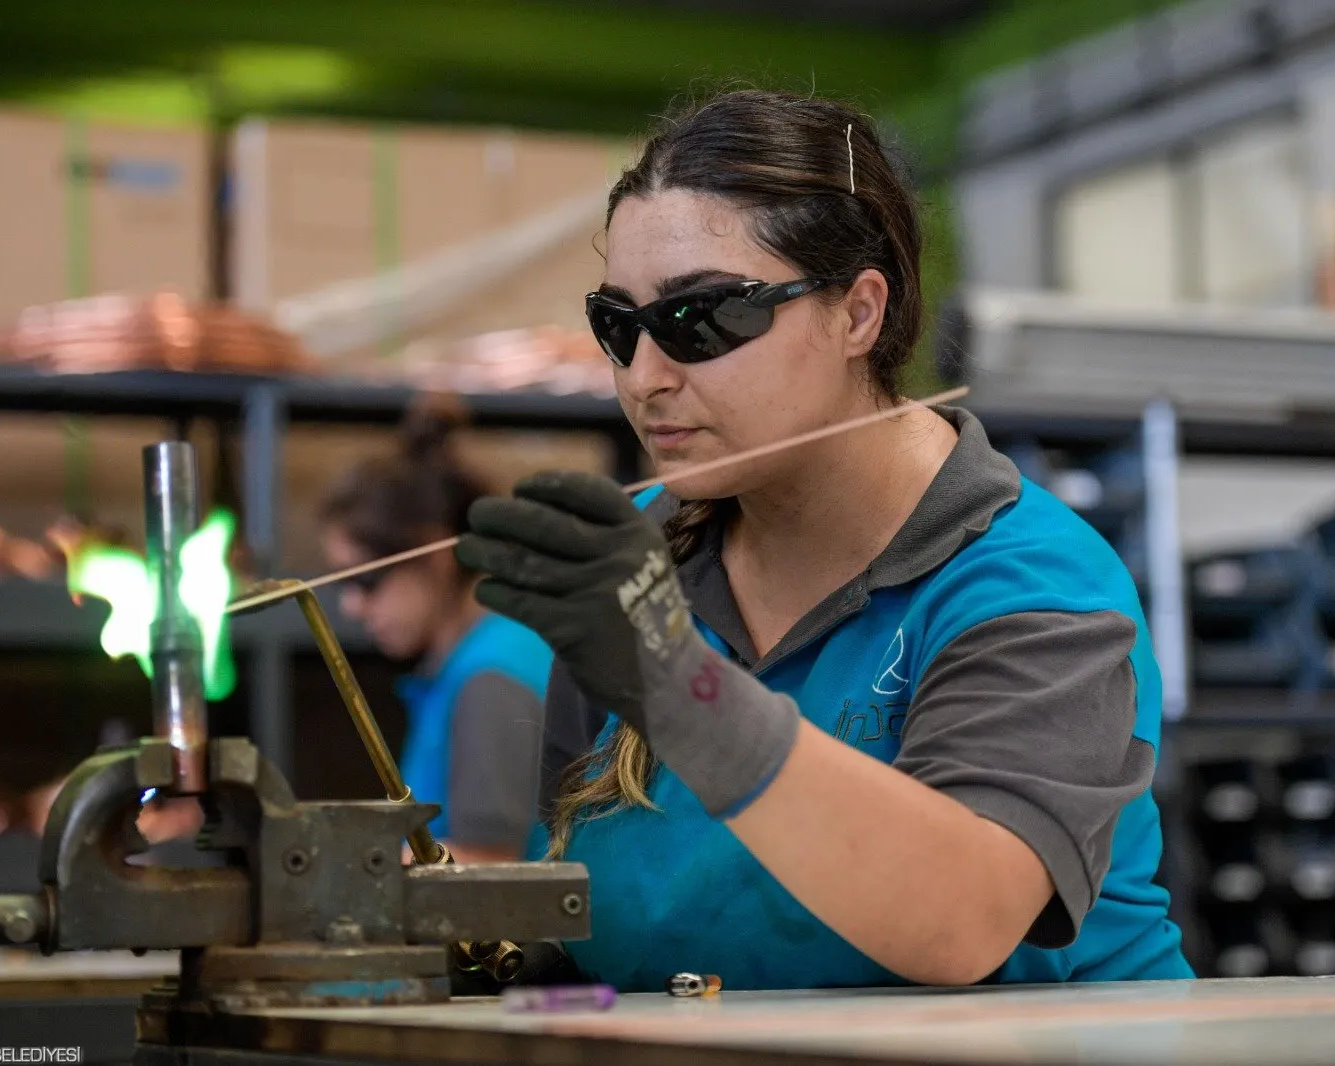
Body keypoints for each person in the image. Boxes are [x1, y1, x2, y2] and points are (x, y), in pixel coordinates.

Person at [453, 90, 1194, 989]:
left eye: (700, 319)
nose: (647, 378)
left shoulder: (1029, 583)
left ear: (858, 313)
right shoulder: (648, 576)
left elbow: (961, 922)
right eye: (620, 326)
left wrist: (678, 684)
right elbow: (579, 926)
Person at [320, 399, 553, 862]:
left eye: (366, 581)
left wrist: (346, 864)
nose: (352, 606)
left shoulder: (492, 678)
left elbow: (492, 866)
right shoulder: (476, 659)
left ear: (433, 553)